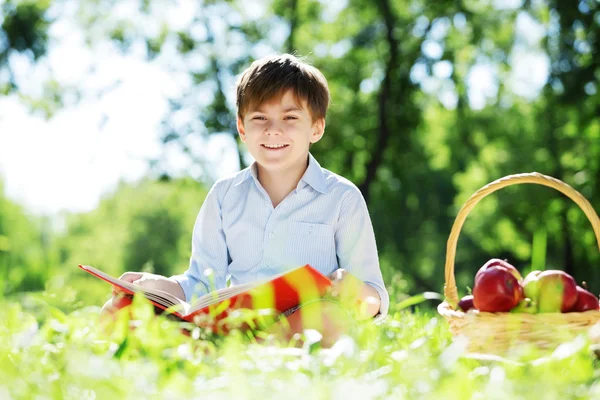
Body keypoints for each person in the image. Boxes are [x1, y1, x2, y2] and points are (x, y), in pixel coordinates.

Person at [103, 54, 389, 346]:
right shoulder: (224, 195)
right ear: (242, 128)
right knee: (120, 308)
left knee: (329, 317)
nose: (273, 130)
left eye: (290, 118)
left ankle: (234, 352)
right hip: (232, 323)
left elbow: (375, 298)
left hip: (303, 323)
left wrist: (352, 290)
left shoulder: (342, 198)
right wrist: (155, 285)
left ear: (316, 127)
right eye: (259, 118)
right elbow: (200, 283)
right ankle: (230, 348)